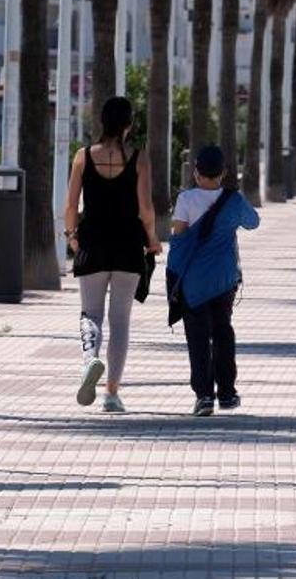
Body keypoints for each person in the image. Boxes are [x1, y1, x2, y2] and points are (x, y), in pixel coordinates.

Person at [64, 97, 162, 413]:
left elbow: (70, 205)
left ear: (101, 122)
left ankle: (90, 359)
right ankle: (111, 394)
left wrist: (72, 237)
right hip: (127, 245)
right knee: (120, 321)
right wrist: (152, 239)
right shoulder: (139, 158)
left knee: (89, 314)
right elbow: (146, 208)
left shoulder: (83, 157)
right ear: (128, 124)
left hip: (92, 241)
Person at [168, 146, 260, 417]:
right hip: (224, 280)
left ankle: (204, 396)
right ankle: (228, 393)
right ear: (224, 173)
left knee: (197, 338)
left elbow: (180, 238)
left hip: (193, 283)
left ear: (196, 173)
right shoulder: (233, 199)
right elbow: (253, 222)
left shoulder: (185, 199)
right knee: (223, 332)